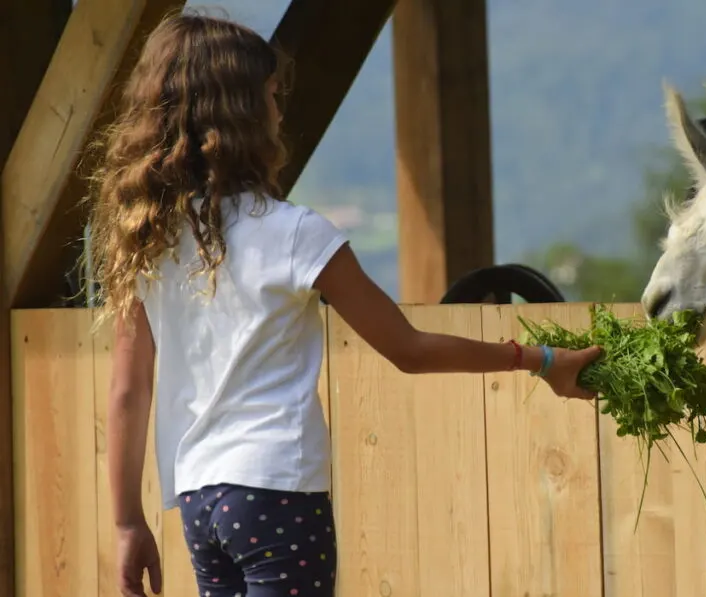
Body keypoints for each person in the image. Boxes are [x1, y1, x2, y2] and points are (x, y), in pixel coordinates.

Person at [84, 11, 602, 597]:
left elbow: (128, 390)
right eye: (272, 96)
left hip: (201, 503)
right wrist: (539, 359)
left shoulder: (146, 238)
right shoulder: (295, 234)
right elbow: (408, 348)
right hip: (276, 494)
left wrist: (128, 521)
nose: (280, 111)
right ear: (245, 114)